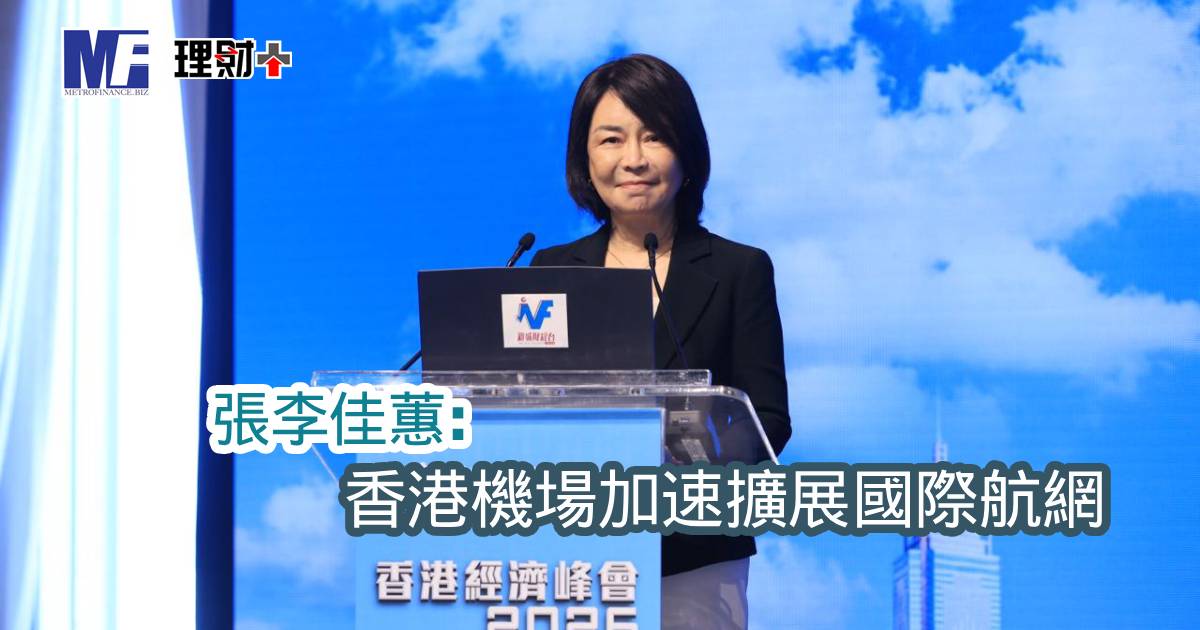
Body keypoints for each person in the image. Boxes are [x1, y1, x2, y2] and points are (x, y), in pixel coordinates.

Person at [529, 53, 791, 630]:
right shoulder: (550, 272)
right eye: (611, 139)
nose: (634, 159)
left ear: (687, 152)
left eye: (654, 137)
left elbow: (769, 418)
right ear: (585, 159)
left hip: (696, 556)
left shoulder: (739, 270)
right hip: (571, 553)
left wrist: (692, 460)